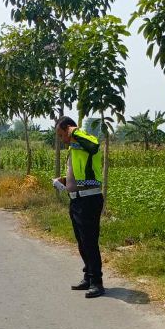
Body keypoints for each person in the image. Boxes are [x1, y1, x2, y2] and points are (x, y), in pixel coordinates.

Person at [54, 116, 105, 298]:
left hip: (89, 199)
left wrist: (74, 131)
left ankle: (97, 283)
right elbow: (77, 172)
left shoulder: (86, 140)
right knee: (81, 242)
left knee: (90, 242)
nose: (62, 139)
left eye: (62, 134)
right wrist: (65, 180)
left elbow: (94, 146)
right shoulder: (74, 148)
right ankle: (88, 276)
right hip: (76, 200)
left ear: (68, 129)